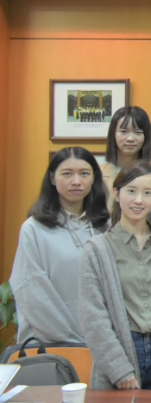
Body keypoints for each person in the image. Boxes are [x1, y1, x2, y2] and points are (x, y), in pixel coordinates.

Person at [79, 161, 151, 390]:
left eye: (148, 193)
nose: (139, 200)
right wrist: (119, 369)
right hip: (122, 348)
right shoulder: (97, 249)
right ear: (116, 194)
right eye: (131, 191)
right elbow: (93, 317)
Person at [9, 147, 110, 344]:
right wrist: (72, 340)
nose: (76, 181)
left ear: (94, 178)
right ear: (52, 178)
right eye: (67, 173)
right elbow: (31, 292)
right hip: (49, 345)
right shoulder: (33, 229)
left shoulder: (106, 228)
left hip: (99, 345)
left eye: (84, 173)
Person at [100, 106, 151, 202]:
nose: (130, 138)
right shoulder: (99, 173)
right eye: (124, 131)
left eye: (138, 132)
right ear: (113, 134)